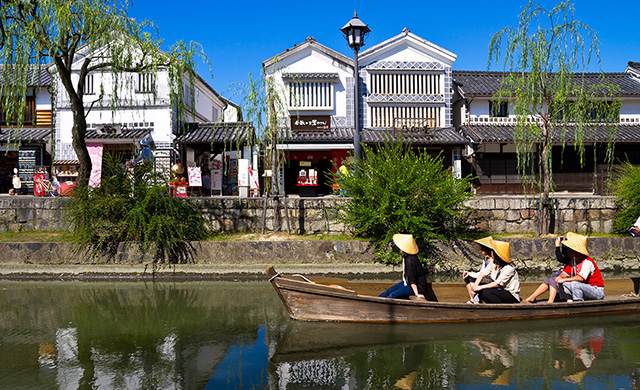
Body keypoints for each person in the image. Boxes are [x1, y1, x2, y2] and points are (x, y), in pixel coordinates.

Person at [522, 234, 573, 303]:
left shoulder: (575, 259)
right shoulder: (572, 258)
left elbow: (561, 259)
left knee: (552, 280)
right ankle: (532, 297)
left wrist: (558, 246)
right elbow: (565, 256)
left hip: (571, 277)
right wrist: (563, 245)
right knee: (549, 280)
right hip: (566, 274)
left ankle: (550, 301)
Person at [556, 232, 604, 302]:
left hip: (597, 290)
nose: (567, 252)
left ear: (575, 252)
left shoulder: (587, 262)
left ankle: (578, 301)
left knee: (575, 284)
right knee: (560, 283)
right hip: (584, 288)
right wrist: (560, 277)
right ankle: (568, 300)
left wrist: (564, 279)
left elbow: (581, 278)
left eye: (569, 250)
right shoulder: (573, 261)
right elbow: (565, 273)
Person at [379, 234, 428, 300]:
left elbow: (412, 280)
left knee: (392, 295)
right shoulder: (406, 256)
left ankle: (385, 308)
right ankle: (374, 303)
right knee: (387, 292)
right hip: (406, 283)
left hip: (415, 287)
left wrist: (417, 294)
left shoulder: (411, 260)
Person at [472, 238, 521, 303]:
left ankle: (499, 308)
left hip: (511, 294)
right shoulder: (494, 262)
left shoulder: (509, 268)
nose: (491, 253)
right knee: (479, 286)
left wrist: (480, 287)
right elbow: (484, 273)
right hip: (499, 290)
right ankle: (476, 301)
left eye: (492, 252)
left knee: (486, 292)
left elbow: (498, 283)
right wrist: (475, 285)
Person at [463, 236, 495, 303]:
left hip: (492, 279)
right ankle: (473, 299)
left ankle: (475, 300)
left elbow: (488, 274)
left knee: (472, 279)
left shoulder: (493, 260)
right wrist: (469, 273)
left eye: (483, 248)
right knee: (468, 277)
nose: (481, 249)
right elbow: (481, 272)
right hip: (485, 277)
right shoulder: (486, 258)